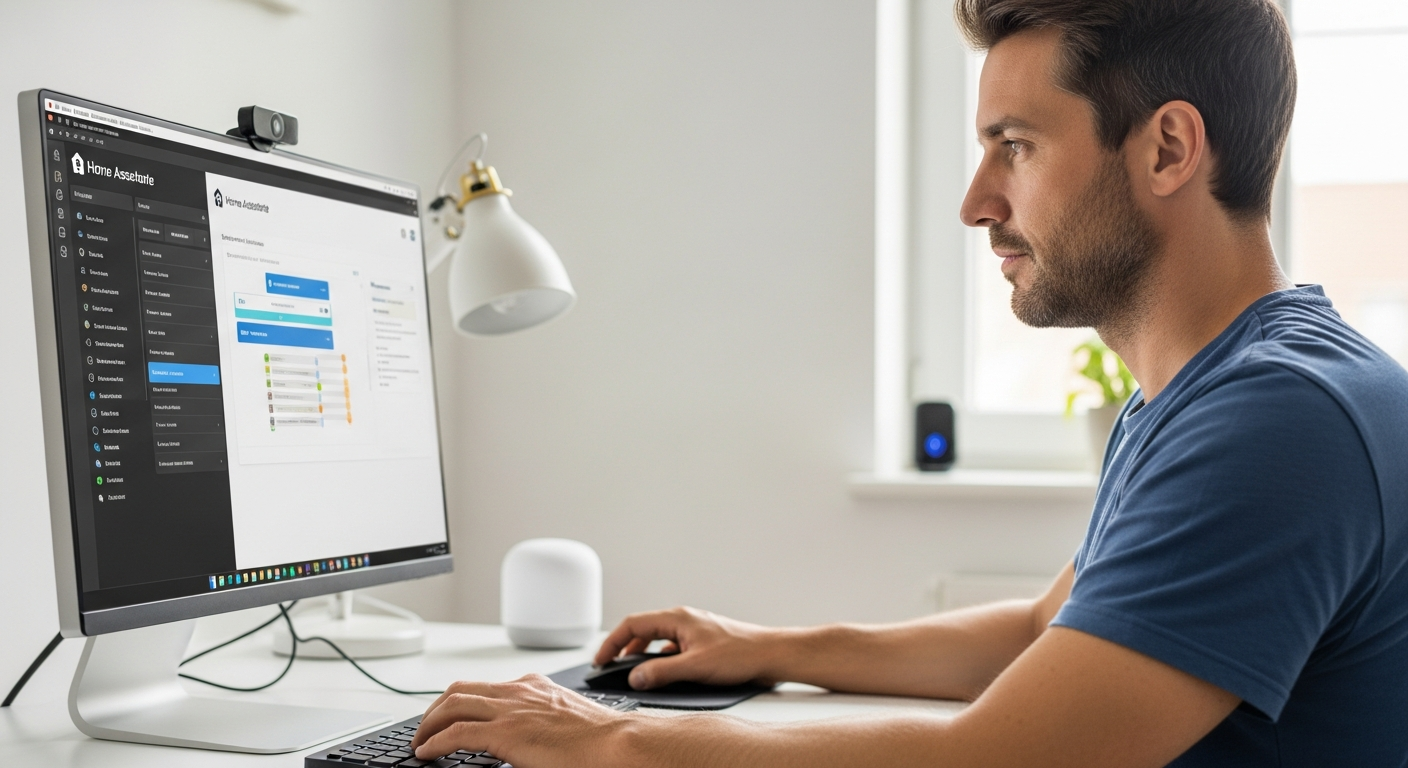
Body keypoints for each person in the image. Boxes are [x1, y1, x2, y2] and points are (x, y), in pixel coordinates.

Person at [411, 0, 1408, 765]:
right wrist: (771, 647)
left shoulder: (1279, 421)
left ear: (1167, 148)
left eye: (1012, 146)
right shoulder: (1216, 391)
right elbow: (1035, 633)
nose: (977, 203)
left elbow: (989, 759)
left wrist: (610, 740)